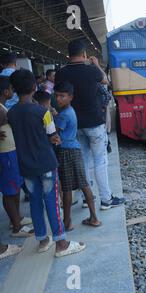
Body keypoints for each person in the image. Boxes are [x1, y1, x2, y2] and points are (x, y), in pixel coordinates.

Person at [7, 69, 86, 257]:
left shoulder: (11, 114)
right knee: (51, 201)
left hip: (26, 165)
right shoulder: (43, 112)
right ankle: (61, 243)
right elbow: (54, 136)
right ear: (34, 87)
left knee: (34, 202)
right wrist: (54, 139)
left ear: (14, 89)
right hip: (46, 164)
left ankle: (43, 240)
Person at [55, 40, 124, 210]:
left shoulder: (61, 73)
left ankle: (88, 198)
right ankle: (106, 199)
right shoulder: (91, 70)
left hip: (75, 124)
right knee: (100, 160)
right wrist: (96, 64)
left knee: (84, 160)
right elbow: (106, 81)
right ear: (84, 54)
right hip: (94, 123)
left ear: (68, 54)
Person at [54, 81, 101, 231]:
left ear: (70, 97)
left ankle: (67, 222)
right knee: (83, 183)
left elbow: (54, 132)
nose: (59, 99)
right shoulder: (69, 111)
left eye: (62, 96)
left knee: (67, 188)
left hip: (65, 151)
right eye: (57, 96)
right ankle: (94, 217)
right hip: (75, 150)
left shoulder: (63, 115)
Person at [0, 76, 34, 238]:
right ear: (6, 91)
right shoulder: (0, 109)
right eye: (11, 89)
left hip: (11, 151)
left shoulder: (3, 106)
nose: (13, 92)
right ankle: (16, 226)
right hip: (5, 154)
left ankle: (17, 218)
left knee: (15, 187)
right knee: (9, 190)